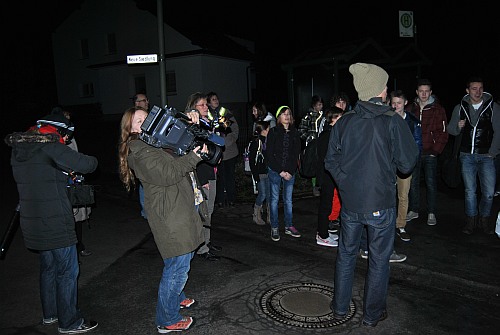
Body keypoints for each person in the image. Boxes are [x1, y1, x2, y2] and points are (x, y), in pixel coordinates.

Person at [325, 63, 419, 327]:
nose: (387, 90)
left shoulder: (345, 122)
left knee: (346, 254)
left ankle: (339, 309)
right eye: (386, 86)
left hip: (351, 203)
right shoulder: (391, 122)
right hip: (380, 203)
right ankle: (371, 315)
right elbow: (407, 164)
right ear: (380, 91)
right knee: (378, 260)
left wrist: (345, 184)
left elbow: (330, 161)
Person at [5, 113, 99, 333]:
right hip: (56, 221)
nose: (66, 140)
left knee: (48, 268)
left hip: (32, 220)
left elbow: (41, 176)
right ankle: (70, 322)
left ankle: (51, 314)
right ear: (59, 131)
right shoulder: (51, 147)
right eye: (66, 135)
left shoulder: (19, 149)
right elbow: (89, 164)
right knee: (67, 271)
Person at [118, 106, 206, 333]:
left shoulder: (155, 142)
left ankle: (175, 297)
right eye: (138, 120)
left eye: (147, 117)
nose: (145, 121)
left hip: (177, 208)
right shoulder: (139, 149)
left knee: (178, 260)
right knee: (177, 266)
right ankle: (167, 319)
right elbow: (167, 173)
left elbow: (181, 143)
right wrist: (195, 157)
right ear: (130, 129)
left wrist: (192, 120)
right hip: (170, 214)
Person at [446, 76, 500, 235]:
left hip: (486, 156)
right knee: (470, 191)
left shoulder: (493, 107)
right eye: (474, 88)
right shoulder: (460, 107)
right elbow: (450, 130)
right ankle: (471, 221)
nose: (478, 91)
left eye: (480, 88)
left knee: (489, 193)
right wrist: (458, 126)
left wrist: (493, 152)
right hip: (466, 156)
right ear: (467, 90)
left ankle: (484, 219)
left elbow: (498, 131)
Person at [406, 79, 449, 226]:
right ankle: (414, 209)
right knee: (413, 183)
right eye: (421, 91)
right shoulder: (411, 108)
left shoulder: (438, 109)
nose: (424, 94)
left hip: (430, 153)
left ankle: (431, 212)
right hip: (414, 153)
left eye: (427, 91)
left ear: (430, 92)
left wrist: (435, 151)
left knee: (431, 183)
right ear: (417, 92)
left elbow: (443, 132)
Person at [53, 106, 94, 258]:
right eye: (65, 117)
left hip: (74, 181)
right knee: (67, 219)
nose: (68, 120)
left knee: (77, 218)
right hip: (62, 184)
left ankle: (79, 246)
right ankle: (71, 251)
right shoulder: (54, 140)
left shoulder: (70, 136)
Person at [186, 92, 222, 261]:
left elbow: (219, 143)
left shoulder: (206, 123)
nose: (206, 107)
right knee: (204, 212)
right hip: (204, 175)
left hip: (211, 173)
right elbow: (196, 156)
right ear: (193, 107)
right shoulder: (193, 127)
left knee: (210, 211)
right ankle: (202, 248)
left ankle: (207, 242)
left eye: (206, 104)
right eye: (202, 105)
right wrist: (203, 180)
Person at [265, 105, 302, 241]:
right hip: (276, 171)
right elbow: (269, 154)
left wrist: (290, 171)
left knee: (288, 200)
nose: (287, 116)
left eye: (288, 114)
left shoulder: (294, 132)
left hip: (290, 171)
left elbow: (295, 153)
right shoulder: (273, 132)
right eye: (284, 114)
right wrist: (280, 171)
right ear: (278, 117)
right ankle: (274, 226)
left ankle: (289, 225)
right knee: (274, 200)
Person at [390, 90, 422, 242]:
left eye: (399, 103)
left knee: (403, 195)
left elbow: (417, 144)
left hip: (404, 164)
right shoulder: (386, 119)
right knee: (387, 194)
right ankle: (387, 224)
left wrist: (411, 162)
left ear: (405, 103)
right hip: (388, 164)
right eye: (393, 102)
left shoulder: (413, 121)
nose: (395, 106)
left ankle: (400, 225)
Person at [315, 106, 343, 247]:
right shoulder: (328, 135)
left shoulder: (330, 133)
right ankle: (322, 235)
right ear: (332, 119)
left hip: (328, 174)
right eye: (339, 117)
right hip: (327, 175)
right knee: (325, 205)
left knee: (328, 203)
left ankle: (324, 231)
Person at [207, 92, 239, 208]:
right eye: (213, 99)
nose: (216, 101)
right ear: (209, 102)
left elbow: (234, 130)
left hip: (229, 151)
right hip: (216, 153)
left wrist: (226, 142)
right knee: (219, 177)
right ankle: (219, 199)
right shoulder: (206, 115)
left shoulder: (224, 113)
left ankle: (231, 199)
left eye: (217, 98)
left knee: (230, 176)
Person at [326, 92, 351, 231]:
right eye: (338, 102)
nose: (341, 105)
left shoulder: (349, 118)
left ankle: (340, 217)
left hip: (346, 162)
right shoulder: (329, 119)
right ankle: (332, 218)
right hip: (334, 163)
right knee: (334, 194)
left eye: (343, 102)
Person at [298, 95, 324, 196]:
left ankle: (320, 185)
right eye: (318, 104)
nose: (320, 107)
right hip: (311, 145)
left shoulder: (324, 116)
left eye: (321, 104)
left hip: (321, 144)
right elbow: (301, 130)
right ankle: (315, 187)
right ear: (314, 105)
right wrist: (309, 138)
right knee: (313, 164)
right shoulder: (308, 116)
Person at [249, 120, 271, 225]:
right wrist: (256, 176)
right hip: (260, 173)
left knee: (269, 195)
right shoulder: (256, 143)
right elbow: (252, 161)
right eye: (268, 129)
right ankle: (256, 214)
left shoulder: (268, 141)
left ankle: (270, 216)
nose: (269, 130)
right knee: (262, 194)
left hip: (269, 172)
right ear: (263, 130)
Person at [133, 92, 150, 219]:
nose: (139, 104)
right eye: (137, 101)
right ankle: (147, 213)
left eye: (142, 101)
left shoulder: (153, 117)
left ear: (147, 102)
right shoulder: (132, 120)